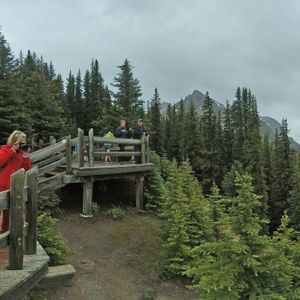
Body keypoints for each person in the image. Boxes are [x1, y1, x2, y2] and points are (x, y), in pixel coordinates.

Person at [0, 130, 32, 234]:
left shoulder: (22, 153)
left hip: (15, 184)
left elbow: (27, 169)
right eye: (19, 141)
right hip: (2, 183)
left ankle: (5, 231)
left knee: (9, 211)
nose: (20, 144)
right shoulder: (5, 149)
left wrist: (26, 156)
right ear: (13, 140)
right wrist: (12, 150)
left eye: (23, 142)